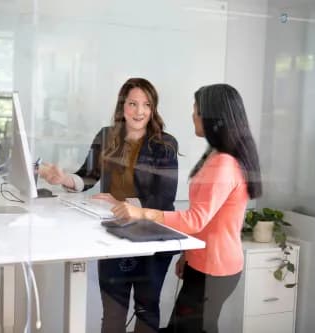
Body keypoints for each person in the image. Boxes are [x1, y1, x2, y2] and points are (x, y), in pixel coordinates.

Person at [110, 83, 262, 333]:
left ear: (214, 117)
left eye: (197, 110)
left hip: (215, 268)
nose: (193, 115)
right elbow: (208, 217)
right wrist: (187, 255)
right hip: (203, 262)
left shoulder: (224, 163)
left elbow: (195, 219)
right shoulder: (216, 154)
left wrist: (142, 212)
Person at [39, 77, 179, 333]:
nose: (139, 111)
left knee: (147, 310)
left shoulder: (165, 144)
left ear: (153, 108)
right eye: (133, 104)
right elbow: (88, 177)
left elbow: (164, 198)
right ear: (122, 106)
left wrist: (120, 202)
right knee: (113, 313)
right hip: (115, 235)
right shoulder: (106, 136)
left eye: (146, 105)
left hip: (151, 235)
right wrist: (64, 178)